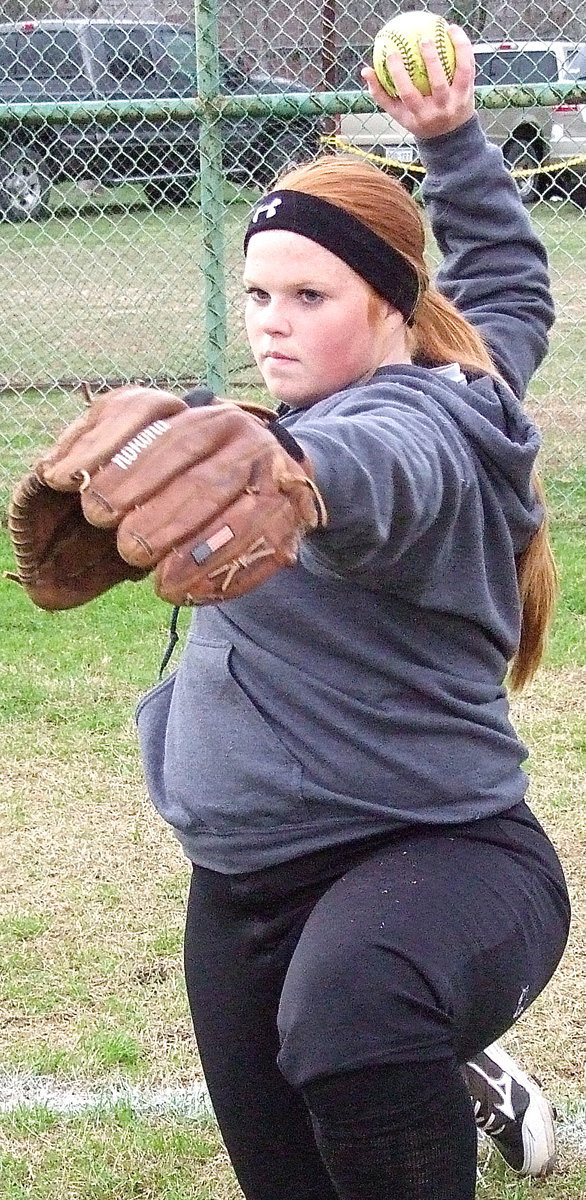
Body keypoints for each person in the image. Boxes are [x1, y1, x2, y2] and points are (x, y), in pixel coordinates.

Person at [135, 26, 570, 1200]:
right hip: (246, 882)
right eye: (257, 292)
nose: (271, 320)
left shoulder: (420, 423)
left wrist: (288, 477)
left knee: (355, 1013)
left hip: (439, 858)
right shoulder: (470, 357)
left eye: (310, 294)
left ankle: (414, 1019)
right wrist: (451, 140)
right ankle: (437, 1044)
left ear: (388, 308)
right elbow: (513, 282)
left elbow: (376, 472)